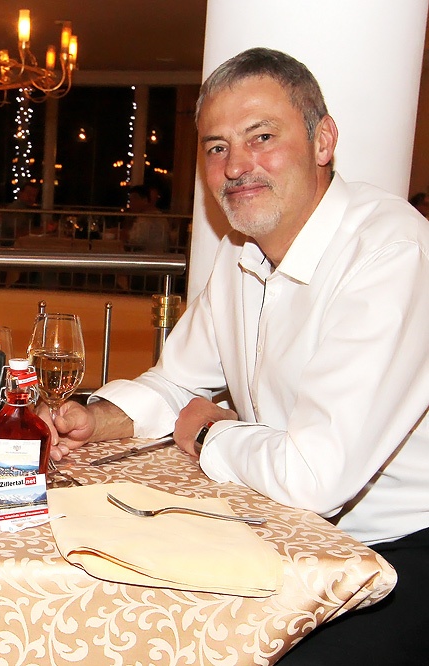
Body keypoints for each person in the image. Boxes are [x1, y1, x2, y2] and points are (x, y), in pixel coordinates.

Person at [45, 48, 429, 664]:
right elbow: (177, 382)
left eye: (262, 137)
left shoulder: (390, 254)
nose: (236, 166)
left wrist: (211, 434)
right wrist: (94, 418)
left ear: (324, 140)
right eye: (217, 147)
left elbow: (315, 477)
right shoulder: (240, 253)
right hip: (285, 533)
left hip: (392, 558)